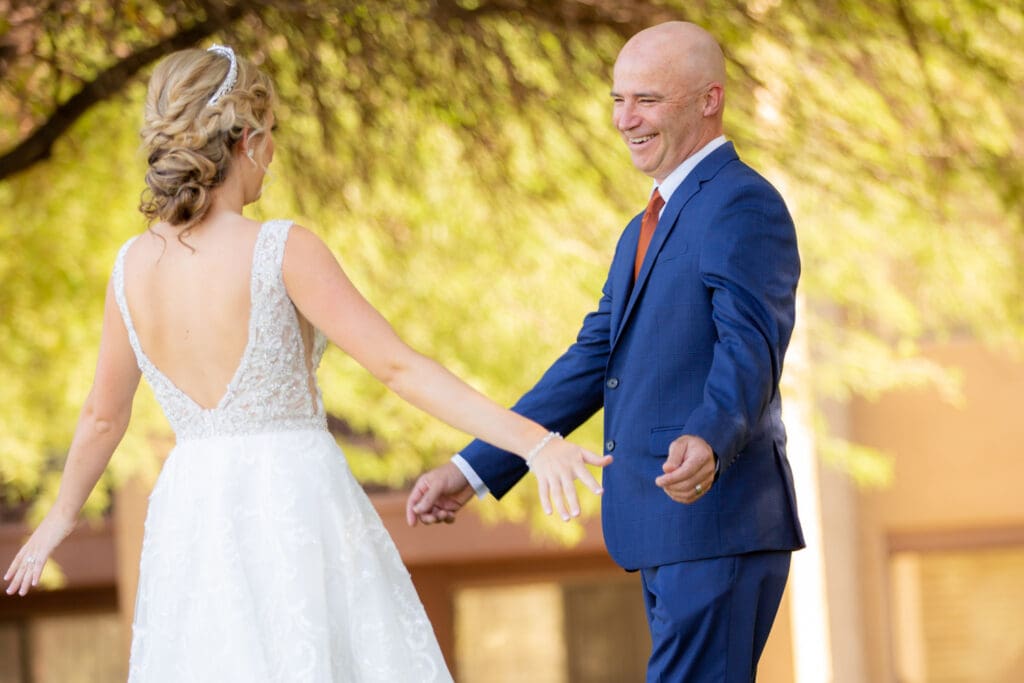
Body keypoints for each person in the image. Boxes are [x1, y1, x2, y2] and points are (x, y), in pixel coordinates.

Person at [2, 45, 610, 682]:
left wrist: (58, 520)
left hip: (192, 511)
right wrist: (535, 443)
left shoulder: (131, 267)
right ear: (252, 140)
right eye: (273, 138)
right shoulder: (280, 248)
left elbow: (104, 415)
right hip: (293, 498)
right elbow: (399, 369)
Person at [407, 21, 805, 681]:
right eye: (617, 100)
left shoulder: (741, 203)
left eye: (646, 99)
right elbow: (591, 364)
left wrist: (707, 435)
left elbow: (752, 342)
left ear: (709, 99)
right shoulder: (641, 228)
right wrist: (474, 468)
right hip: (667, 529)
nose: (625, 119)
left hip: (715, 521)